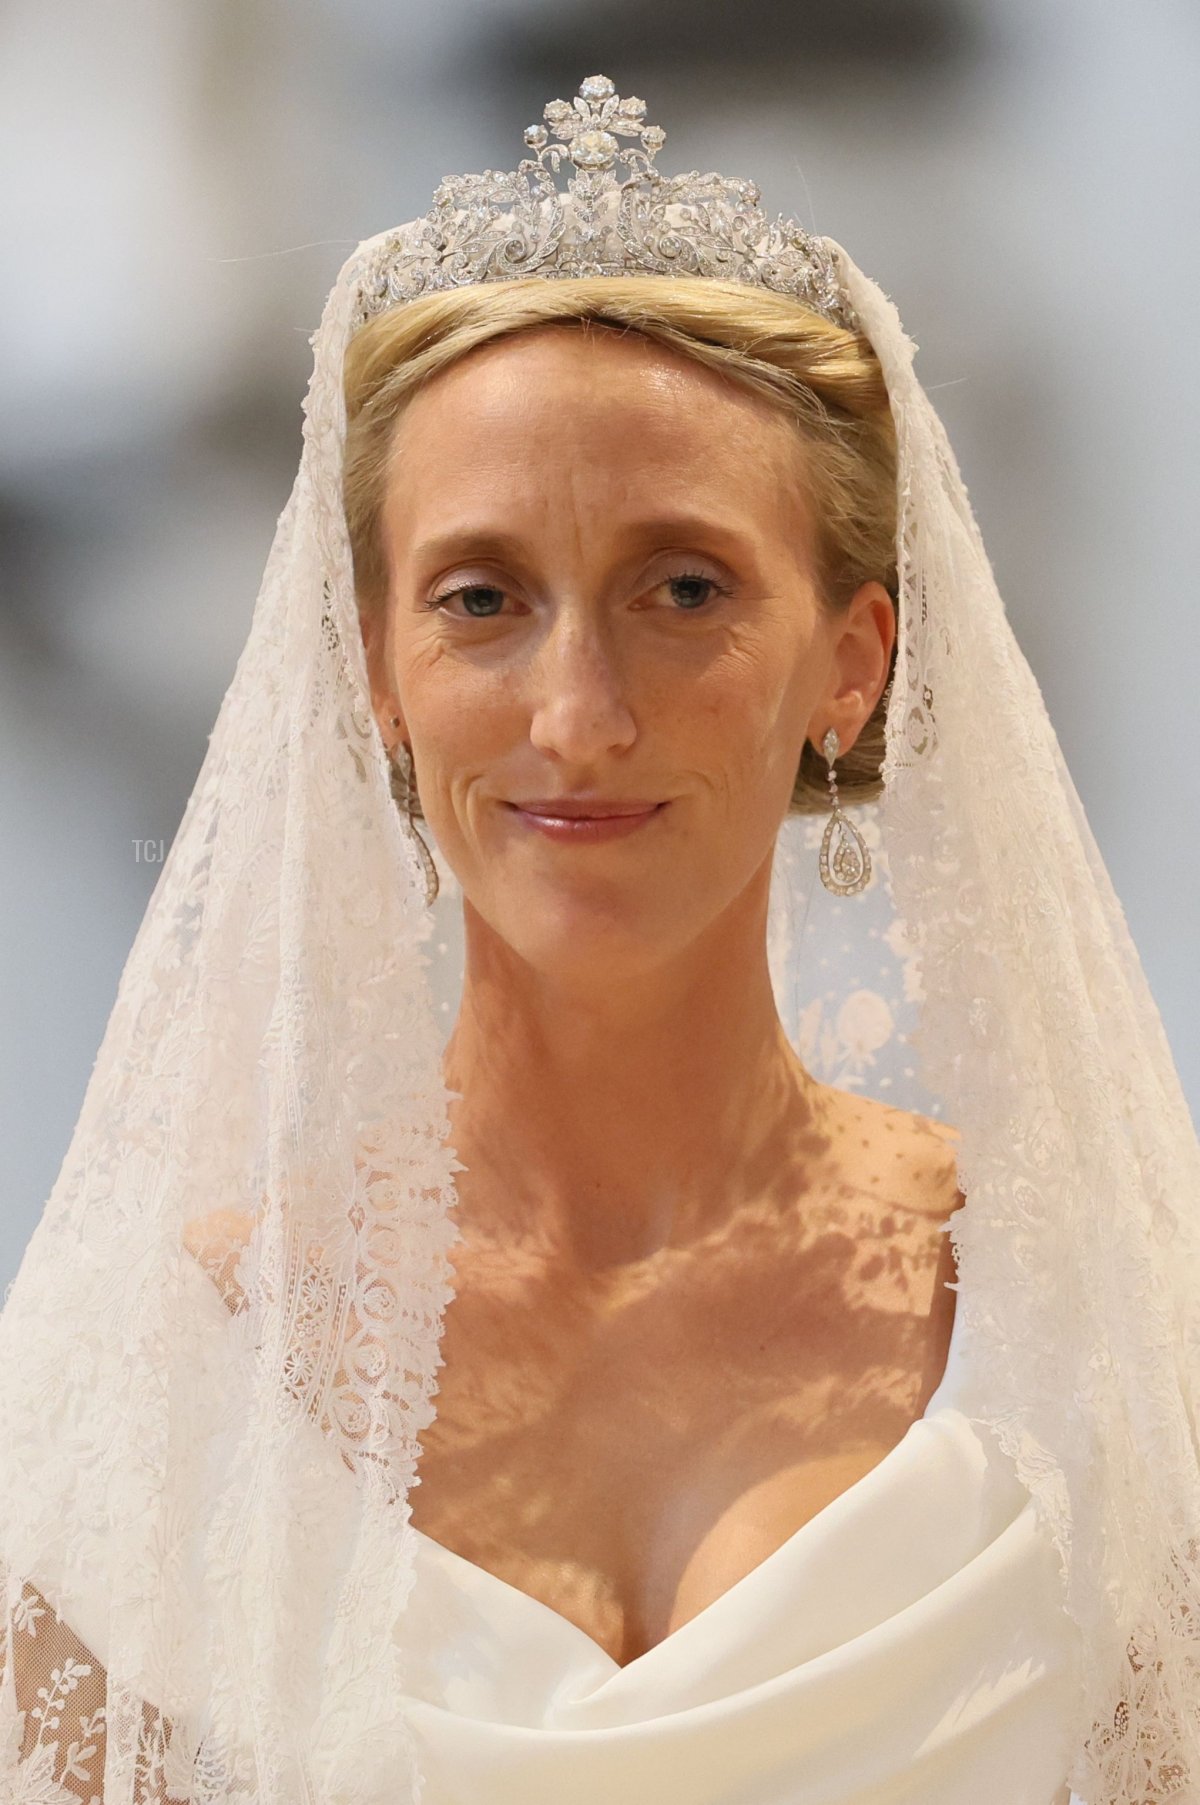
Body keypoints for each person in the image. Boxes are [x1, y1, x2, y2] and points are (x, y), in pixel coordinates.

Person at [1, 74, 1196, 1805]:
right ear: (375, 673)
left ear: (852, 661)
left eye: (684, 587)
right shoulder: (166, 1389)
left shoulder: (1089, 1335)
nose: (576, 717)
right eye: (482, 598)